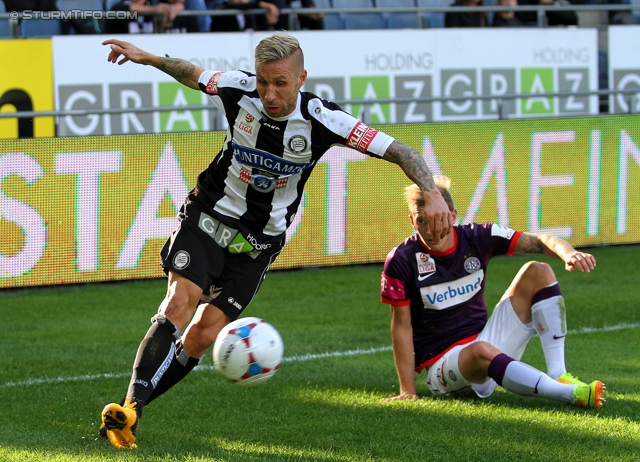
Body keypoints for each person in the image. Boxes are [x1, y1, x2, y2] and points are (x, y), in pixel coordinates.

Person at [99, 33, 454, 449]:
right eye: (264, 81)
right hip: (209, 216)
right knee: (179, 303)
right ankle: (129, 408)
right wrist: (150, 58)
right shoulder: (237, 88)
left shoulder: (324, 119)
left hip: (259, 243)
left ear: (302, 78)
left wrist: (430, 192)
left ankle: (130, 412)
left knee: (201, 336)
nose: (270, 93)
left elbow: (400, 151)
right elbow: (192, 74)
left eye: (281, 83)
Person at [380, 176, 606, 408]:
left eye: (439, 219)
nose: (432, 229)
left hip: (486, 341)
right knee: (480, 350)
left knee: (538, 271)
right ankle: (570, 394)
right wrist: (407, 389)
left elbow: (539, 241)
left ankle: (559, 373)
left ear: (453, 215)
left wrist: (568, 253)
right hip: (444, 366)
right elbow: (401, 326)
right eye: (422, 221)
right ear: (412, 221)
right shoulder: (401, 259)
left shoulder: (476, 237)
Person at [105, 0, 184, 34]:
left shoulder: (154, 3)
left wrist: (177, 7)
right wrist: (153, 9)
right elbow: (125, 8)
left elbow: (178, 4)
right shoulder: (118, 7)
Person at [209, 0, 280, 32]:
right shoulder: (221, 11)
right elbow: (236, 7)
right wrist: (260, 4)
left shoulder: (253, 11)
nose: (241, 0)